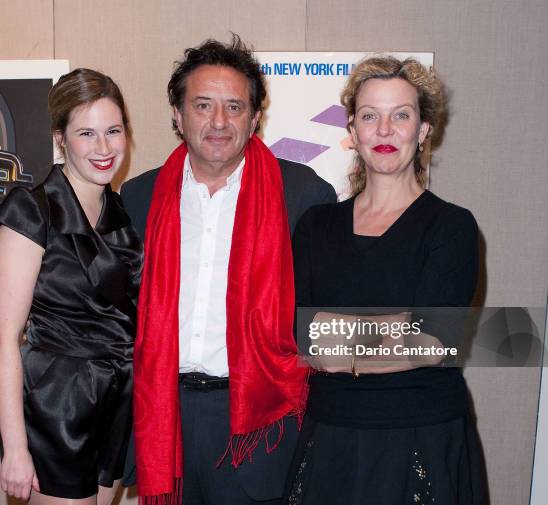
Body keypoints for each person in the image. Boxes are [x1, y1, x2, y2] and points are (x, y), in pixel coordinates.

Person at [121, 35, 336, 505]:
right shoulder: (138, 198)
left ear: (255, 118)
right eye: (202, 105)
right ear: (177, 115)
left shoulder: (301, 194)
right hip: (166, 415)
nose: (219, 122)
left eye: (235, 107)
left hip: (258, 426)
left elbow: (322, 315)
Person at [283, 55, 487, 504]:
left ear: (424, 129)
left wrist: (342, 342)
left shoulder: (451, 227)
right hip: (330, 436)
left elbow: (434, 342)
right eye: (370, 116)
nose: (385, 130)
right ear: (352, 132)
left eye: (401, 115)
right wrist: (400, 327)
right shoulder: (316, 225)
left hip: (421, 437)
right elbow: (303, 337)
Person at [0, 68, 142, 504]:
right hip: (56, 407)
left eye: (113, 131)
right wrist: (16, 449)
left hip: (116, 403)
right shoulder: (32, 210)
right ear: (61, 138)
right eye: (86, 133)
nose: (103, 148)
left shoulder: (124, 217)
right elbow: (4, 340)